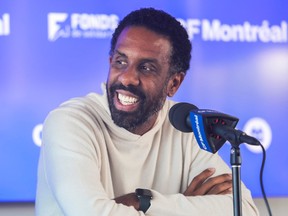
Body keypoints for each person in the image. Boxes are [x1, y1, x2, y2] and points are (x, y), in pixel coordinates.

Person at [35, 7, 259, 216]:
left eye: (147, 67)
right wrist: (184, 205)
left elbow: (245, 210)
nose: (127, 77)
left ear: (174, 83)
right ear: (110, 62)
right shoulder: (70, 122)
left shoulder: (185, 126)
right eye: (121, 62)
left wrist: (143, 201)